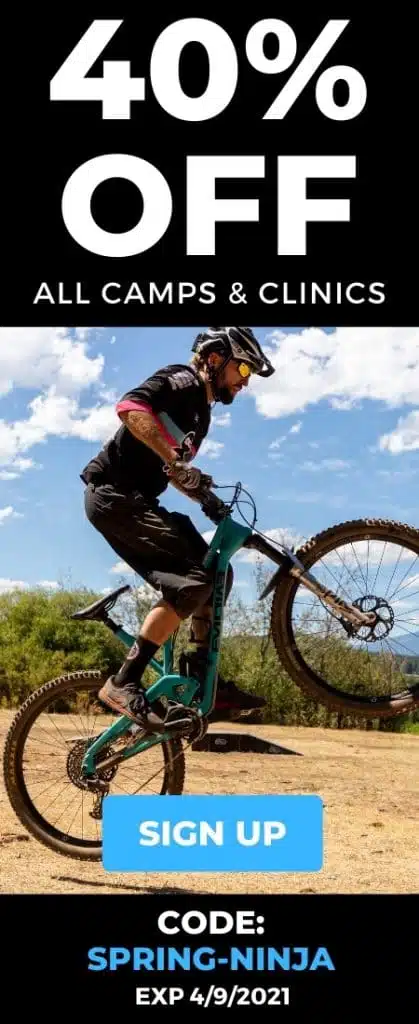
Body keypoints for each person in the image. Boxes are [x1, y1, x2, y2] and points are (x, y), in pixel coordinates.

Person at [80, 327, 275, 731]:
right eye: (243, 368)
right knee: (191, 582)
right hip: (114, 496)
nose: (245, 381)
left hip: (137, 500)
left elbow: (174, 470)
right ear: (215, 358)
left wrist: (206, 498)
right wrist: (176, 460)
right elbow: (131, 408)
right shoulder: (181, 380)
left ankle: (202, 676)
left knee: (218, 572)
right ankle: (123, 682)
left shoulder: (201, 416)